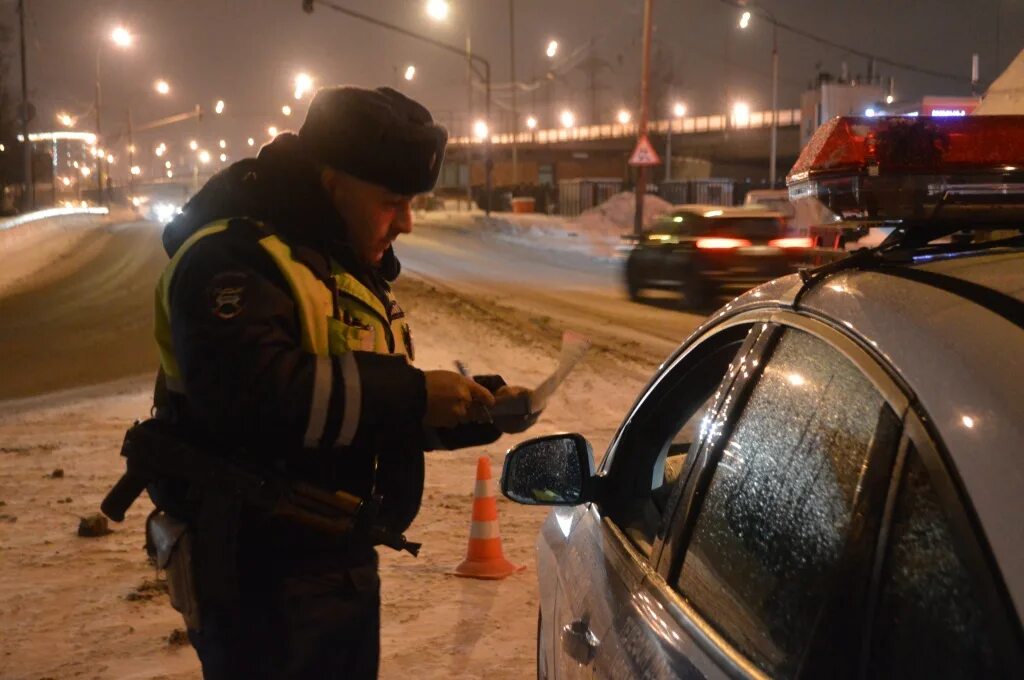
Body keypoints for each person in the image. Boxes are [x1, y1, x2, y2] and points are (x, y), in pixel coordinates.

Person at [147, 86, 537, 678]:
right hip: (261, 583)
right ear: (332, 183)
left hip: (334, 567)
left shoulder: (336, 267)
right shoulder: (231, 260)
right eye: (392, 201)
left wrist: (472, 407)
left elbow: (353, 408)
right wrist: (412, 394)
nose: (406, 222)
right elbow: (255, 401)